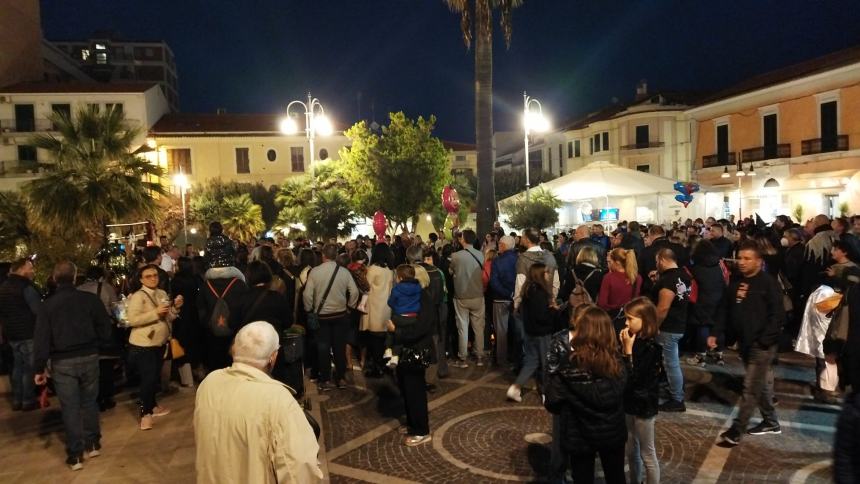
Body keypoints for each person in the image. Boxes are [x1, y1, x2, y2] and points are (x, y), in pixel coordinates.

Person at [194, 321, 323, 483]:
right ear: (273, 357)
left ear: (234, 349)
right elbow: (298, 470)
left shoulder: (209, 383)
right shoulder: (278, 398)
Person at [33, 261, 113, 470]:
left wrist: (39, 367)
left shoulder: (47, 305)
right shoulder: (89, 300)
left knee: (70, 407)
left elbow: (41, 338)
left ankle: (76, 454)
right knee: (89, 401)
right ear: (75, 276)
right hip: (88, 355)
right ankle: (93, 442)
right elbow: (105, 326)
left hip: (62, 361)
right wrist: (100, 343)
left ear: (54, 278)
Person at [544, 305, 627, 484]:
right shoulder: (617, 362)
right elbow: (626, 392)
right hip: (611, 431)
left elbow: (552, 402)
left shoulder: (568, 366)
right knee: (616, 477)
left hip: (579, 432)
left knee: (582, 478)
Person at [713, 241, 784, 446]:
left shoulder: (768, 283)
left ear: (759, 261)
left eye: (747, 258)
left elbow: (777, 315)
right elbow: (725, 310)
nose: (742, 262)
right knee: (758, 386)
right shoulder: (736, 282)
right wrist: (717, 333)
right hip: (744, 344)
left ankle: (737, 429)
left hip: (761, 346)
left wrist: (764, 340)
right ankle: (771, 422)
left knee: (750, 388)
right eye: (740, 258)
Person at [127, 264, 184, 430]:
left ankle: (152, 405)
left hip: (159, 342)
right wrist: (155, 312)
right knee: (148, 378)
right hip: (143, 344)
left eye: (155, 275)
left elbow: (167, 318)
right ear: (140, 279)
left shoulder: (161, 293)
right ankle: (145, 413)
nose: (153, 278)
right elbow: (133, 320)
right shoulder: (138, 296)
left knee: (154, 377)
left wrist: (175, 308)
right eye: (148, 276)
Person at [303, 243, 359, 390]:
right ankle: (340, 377)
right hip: (340, 314)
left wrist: (310, 309)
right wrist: (349, 307)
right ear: (336, 255)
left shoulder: (315, 272)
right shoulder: (344, 272)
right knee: (339, 347)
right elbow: (354, 292)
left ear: (323, 255)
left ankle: (325, 379)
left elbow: (307, 295)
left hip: (322, 316)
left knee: (323, 347)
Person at [620, 297, 663, 484]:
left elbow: (637, 379)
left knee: (647, 454)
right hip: (629, 402)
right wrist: (625, 349)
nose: (626, 322)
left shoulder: (653, 347)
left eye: (630, 319)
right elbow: (623, 375)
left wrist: (627, 351)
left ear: (644, 320)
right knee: (631, 450)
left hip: (644, 406)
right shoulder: (632, 339)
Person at [506, 263, 559, 402]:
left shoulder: (528, 290)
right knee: (545, 362)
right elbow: (541, 316)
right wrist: (553, 310)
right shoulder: (540, 292)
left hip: (530, 332)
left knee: (531, 362)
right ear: (540, 274)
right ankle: (546, 393)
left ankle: (515, 388)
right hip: (541, 333)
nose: (548, 275)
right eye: (546, 272)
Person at [649, 248, 691, 412]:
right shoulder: (683, 275)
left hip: (668, 327)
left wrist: (654, 326)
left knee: (670, 363)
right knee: (671, 361)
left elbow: (663, 307)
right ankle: (675, 390)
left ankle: (677, 398)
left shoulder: (668, 280)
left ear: (661, 260)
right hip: (679, 323)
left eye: (656, 261)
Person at [77, 265, 122, 409]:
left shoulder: (79, 289)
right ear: (102, 276)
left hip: (85, 333)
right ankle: (107, 397)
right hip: (104, 330)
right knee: (106, 366)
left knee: (91, 366)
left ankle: (93, 398)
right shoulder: (106, 287)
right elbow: (116, 309)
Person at [0, 257, 41, 411]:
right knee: (29, 368)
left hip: (12, 334)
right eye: (30, 268)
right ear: (22, 269)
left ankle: (17, 399)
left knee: (17, 367)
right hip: (28, 332)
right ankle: (28, 400)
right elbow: (38, 312)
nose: (32, 271)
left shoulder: (3, 287)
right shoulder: (26, 287)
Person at [686, 240, 728, 367]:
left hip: (702, 300)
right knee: (717, 327)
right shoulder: (719, 264)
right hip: (719, 299)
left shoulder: (695, 268)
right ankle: (719, 354)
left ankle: (701, 355)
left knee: (702, 326)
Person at [449, 229, 487, 368]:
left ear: (463, 239)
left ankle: (463, 358)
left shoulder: (455, 256)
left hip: (461, 296)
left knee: (462, 328)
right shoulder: (481, 254)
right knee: (478, 328)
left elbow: (451, 271)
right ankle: (479, 357)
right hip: (478, 295)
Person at [362, 244, 394, 377]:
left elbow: (366, 288)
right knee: (383, 339)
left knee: (374, 340)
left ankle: (376, 367)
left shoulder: (372, 269)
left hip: (374, 307)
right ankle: (382, 364)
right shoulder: (389, 270)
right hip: (386, 308)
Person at [385, 264, 423, 368]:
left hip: (399, 317)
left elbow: (391, 302)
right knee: (405, 336)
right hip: (414, 317)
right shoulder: (419, 287)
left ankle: (390, 351)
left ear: (400, 277)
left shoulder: (397, 288)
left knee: (392, 331)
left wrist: (396, 307)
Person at [489, 235, 517, 368]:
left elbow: (494, 282)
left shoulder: (497, 261)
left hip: (501, 299)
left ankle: (502, 359)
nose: (498, 246)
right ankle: (514, 356)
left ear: (503, 246)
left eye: (499, 244)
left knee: (501, 332)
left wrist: (507, 293)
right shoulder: (519, 259)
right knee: (514, 330)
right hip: (516, 300)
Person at [597, 248, 642, 318]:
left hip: (613, 318)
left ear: (617, 262)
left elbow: (602, 304)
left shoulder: (608, 278)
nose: (609, 265)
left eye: (610, 262)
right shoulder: (637, 277)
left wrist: (617, 308)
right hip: (631, 317)